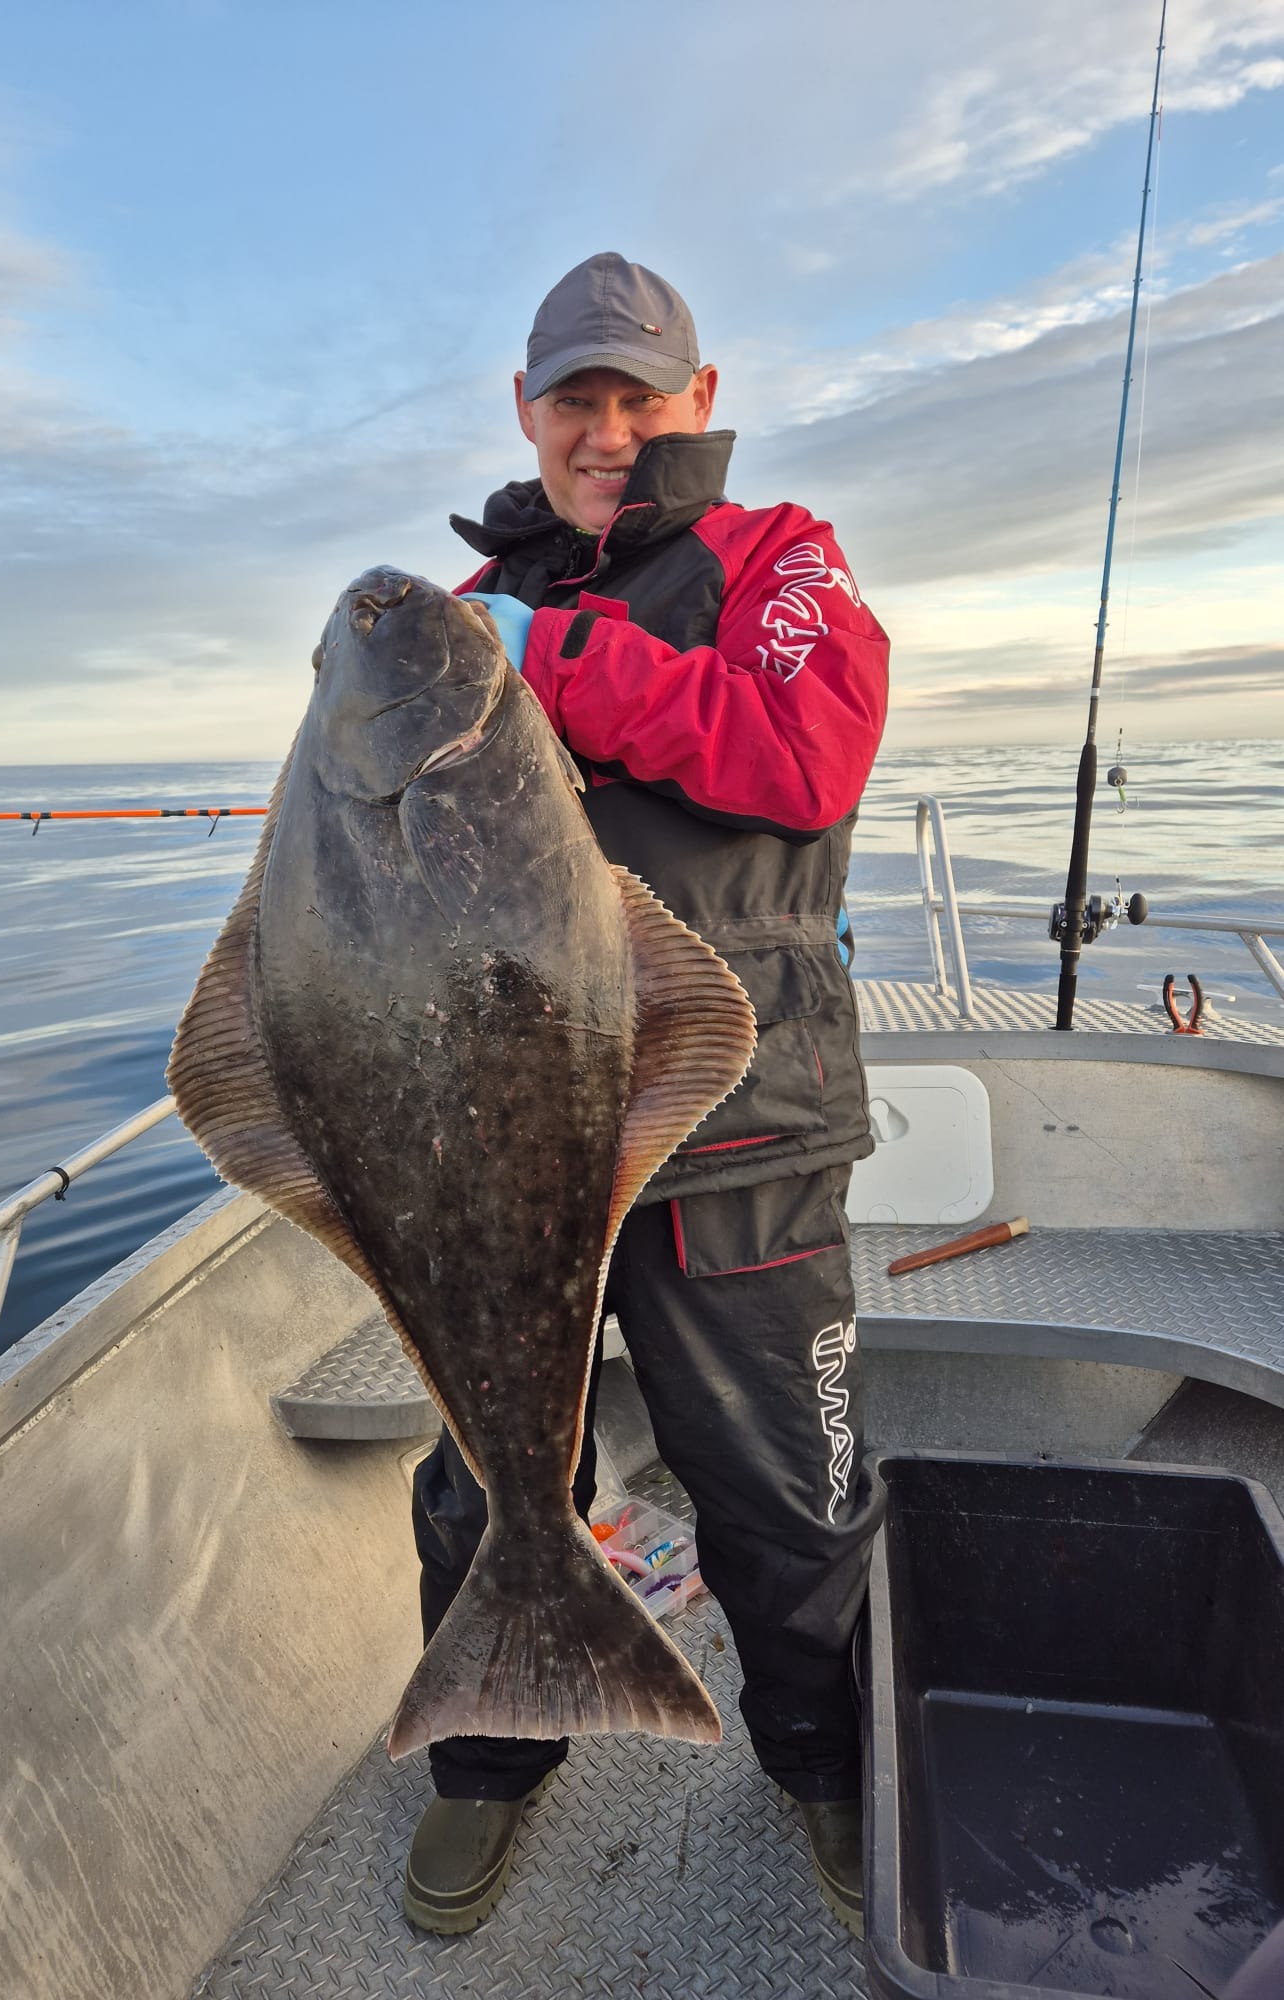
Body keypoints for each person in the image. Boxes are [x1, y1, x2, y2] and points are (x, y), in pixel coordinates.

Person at [404, 252, 891, 1940]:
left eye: (638, 397)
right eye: (575, 400)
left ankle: (825, 1763)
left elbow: (807, 753)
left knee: (786, 1490)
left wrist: (552, 659)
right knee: (482, 1479)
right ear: (524, 411)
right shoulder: (469, 611)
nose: (606, 432)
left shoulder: (780, 558)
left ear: (699, 399)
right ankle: (485, 1758)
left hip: (736, 1119)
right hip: (504, 1131)